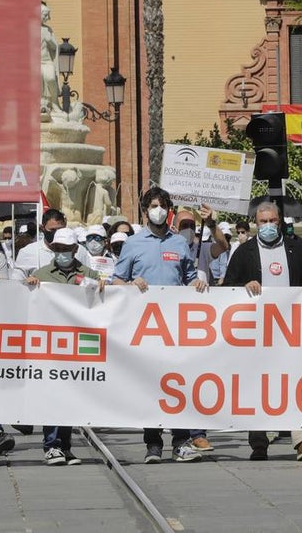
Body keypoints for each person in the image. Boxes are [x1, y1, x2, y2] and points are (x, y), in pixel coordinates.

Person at [113, 187, 207, 464]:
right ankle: (153, 444)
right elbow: (117, 280)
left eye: (163, 205)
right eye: (154, 206)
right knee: (150, 385)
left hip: (176, 326)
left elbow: (188, 276)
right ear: (145, 211)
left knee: (177, 384)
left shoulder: (179, 243)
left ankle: (181, 442)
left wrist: (196, 283)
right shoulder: (133, 244)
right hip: (146, 327)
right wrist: (130, 284)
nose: (159, 210)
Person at [222, 200, 302, 461]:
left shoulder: (294, 248)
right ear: (256, 224)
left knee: (293, 382)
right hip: (255, 332)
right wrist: (244, 285)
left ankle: (301, 438)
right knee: (258, 384)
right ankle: (259, 442)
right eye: (263, 222)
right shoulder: (244, 252)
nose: (268, 226)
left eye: (272, 221)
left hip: (290, 330)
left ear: (280, 222)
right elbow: (227, 287)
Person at [23, 227, 101, 465]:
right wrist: (29, 285)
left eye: (66, 249)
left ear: (75, 249)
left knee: (70, 397)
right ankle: (51, 446)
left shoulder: (90, 274)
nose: (61, 252)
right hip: (50, 345)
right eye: (57, 248)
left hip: (77, 345)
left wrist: (103, 288)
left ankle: (65, 446)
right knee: (52, 395)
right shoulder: (41, 274)